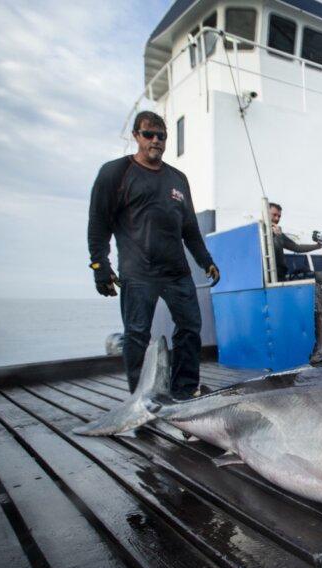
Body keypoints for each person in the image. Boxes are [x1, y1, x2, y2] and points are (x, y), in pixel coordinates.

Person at [87, 110, 220, 398]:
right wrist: (100, 266)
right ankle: (140, 398)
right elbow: (98, 223)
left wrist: (206, 261)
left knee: (189, 328)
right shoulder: (115, 173)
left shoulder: (178, 179)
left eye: (161, 136)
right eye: (149, 134)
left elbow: (190, 229)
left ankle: (184, 391)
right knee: (136, 336)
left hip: (176, 272)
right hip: (138, 274)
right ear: (136, 136)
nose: (156, 140)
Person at [268, 202, 322, 279]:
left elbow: (296, 247)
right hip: (267, 278)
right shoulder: (258, 233)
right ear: (265, 214)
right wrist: (275, 236)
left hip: (279, 276)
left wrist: (320, 245)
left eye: (279, 216)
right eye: (274, 215)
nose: (277, 219)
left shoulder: (278, 233)